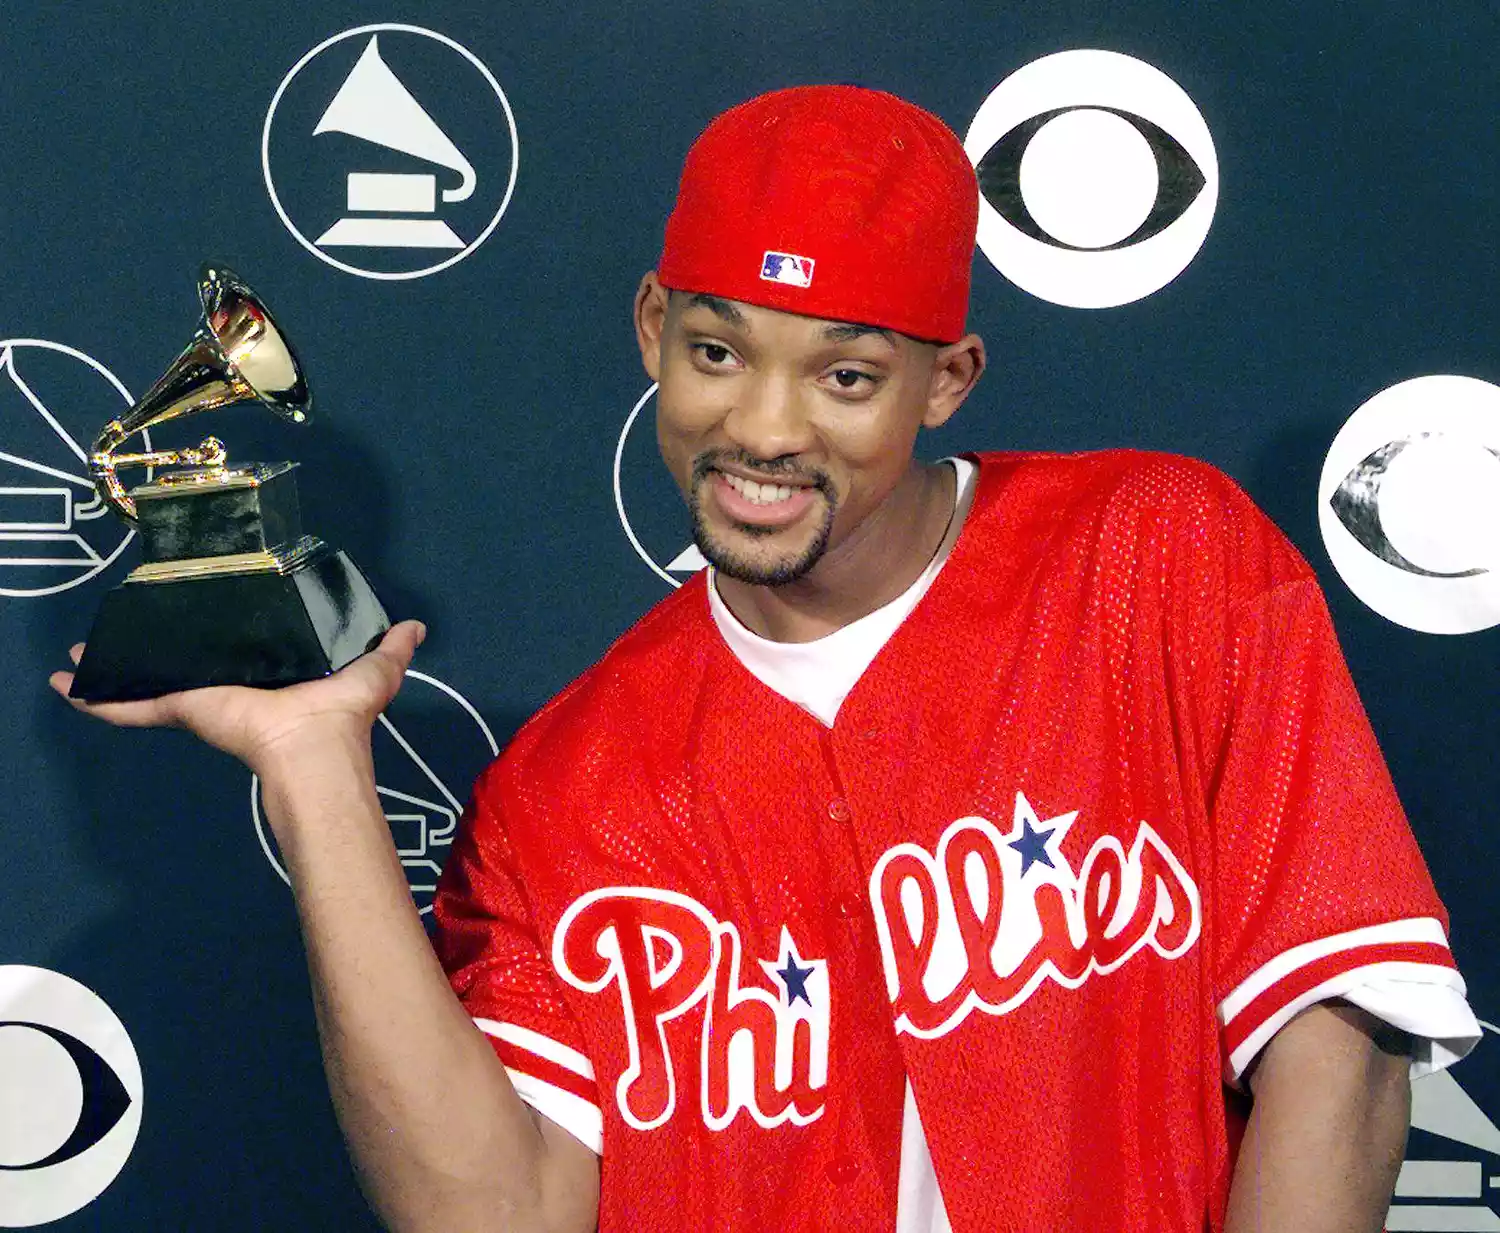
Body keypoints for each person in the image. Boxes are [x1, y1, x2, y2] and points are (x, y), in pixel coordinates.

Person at [54, 86, 1480, 1233]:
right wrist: (315, 766)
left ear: (949, 379)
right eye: (720, 353)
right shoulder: (573, 787)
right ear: (652, 330)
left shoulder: (1154, 557)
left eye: (847, 375)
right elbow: (491, 1210)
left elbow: (1335, 1040)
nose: (767, 430)